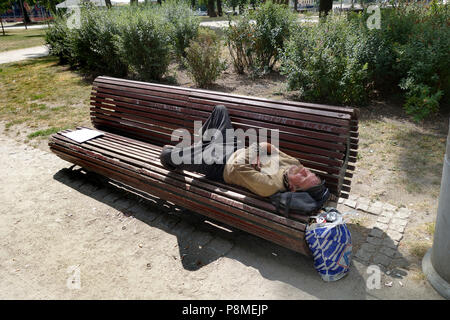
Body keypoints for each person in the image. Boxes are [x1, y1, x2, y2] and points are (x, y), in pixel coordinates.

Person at [160, 105, 322, 198]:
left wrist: (255, 151)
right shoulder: (295, 164)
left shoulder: (270, 186)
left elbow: (238, 165)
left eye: (304, 176)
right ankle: (200, 146)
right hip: (233, 146)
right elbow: (269, 146)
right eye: (309, 171)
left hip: (219, 165)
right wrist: (257, 152)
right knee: (220, 110)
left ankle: (199, 150)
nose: (303, 170)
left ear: (293, 188)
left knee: (167, 154)